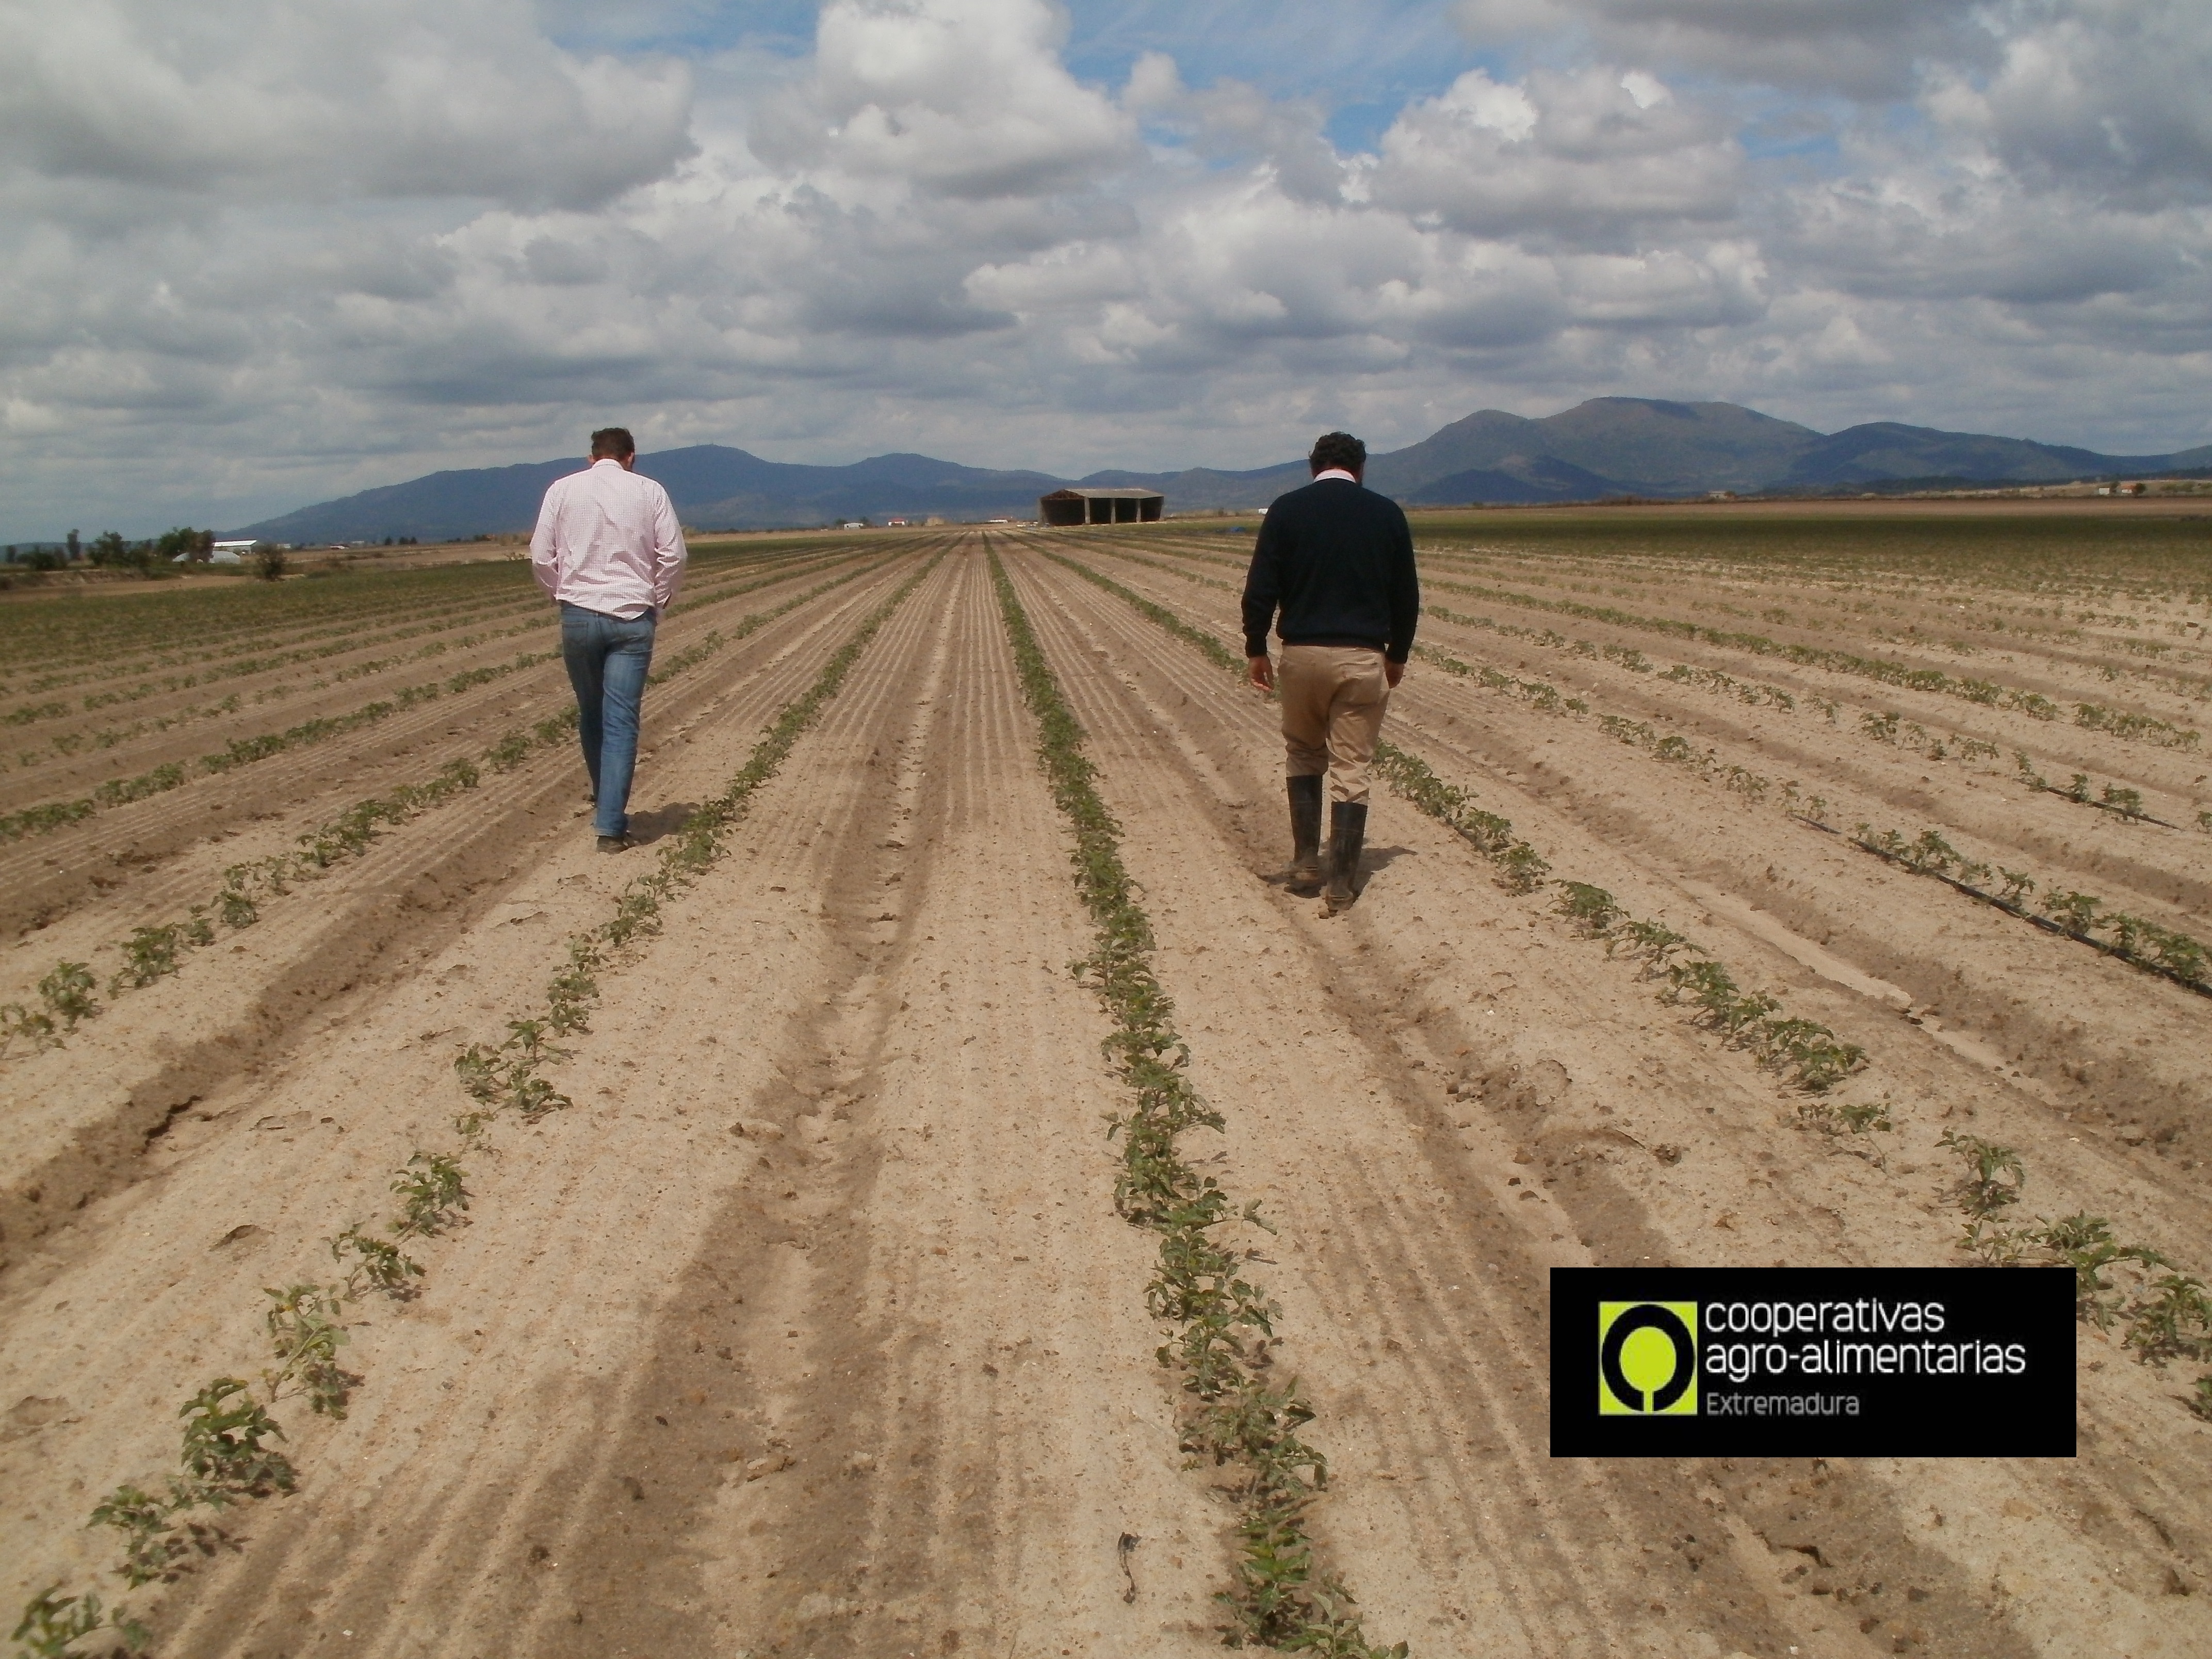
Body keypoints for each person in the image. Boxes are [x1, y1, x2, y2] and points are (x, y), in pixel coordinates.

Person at [1241, 431, 1419, 909]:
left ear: (1312, 467)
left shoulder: (1287, 510)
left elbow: (1261, 586)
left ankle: (1305, 861)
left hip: (1302, 655)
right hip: (1362, 657)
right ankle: (1341, 881)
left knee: (1303, 751)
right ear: (1361, 469)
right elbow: (1406, 596)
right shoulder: (1386, 514)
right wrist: (1397, 655)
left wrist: (1256, 646)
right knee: (1352, 766)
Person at [530, 427, 687, 851]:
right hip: (632, 617)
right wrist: (658, 598)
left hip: (578, 616)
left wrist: (561, 592)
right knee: (620, 720)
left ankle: (605, 799)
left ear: (591, 457)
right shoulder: (650, 491)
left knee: (591, 711)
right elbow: (674, 554)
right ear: (631, 457)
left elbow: (541, 556)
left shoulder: (561, 491)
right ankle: (610, 827)